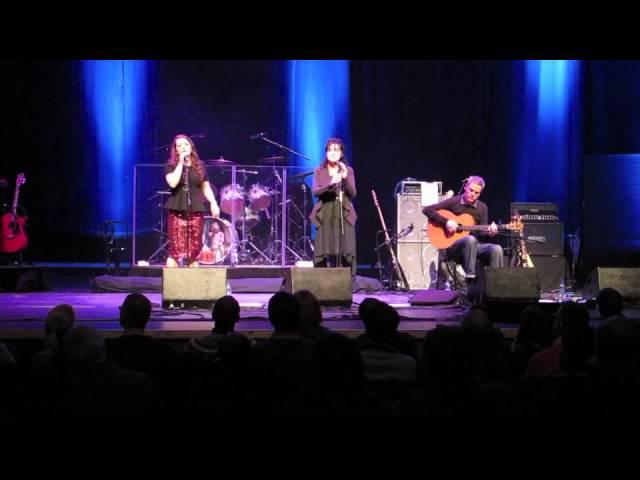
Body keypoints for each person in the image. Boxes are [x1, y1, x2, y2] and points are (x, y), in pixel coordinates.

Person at [422, 175, 503, 281]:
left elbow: (482, 235)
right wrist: (447, 222)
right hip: (454, 247)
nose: (473, 194)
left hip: (474, 247)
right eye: (471, 190)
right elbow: (427, 209)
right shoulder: (454, 202)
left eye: (476, 193)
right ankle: (470, 278)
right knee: (470, 239)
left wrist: (490, 233)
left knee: (496, 249)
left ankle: (496, 285)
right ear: (466, 187)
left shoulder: (482, 208)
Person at [164, 134, 220, 268]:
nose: (183, 147)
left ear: (191, 147)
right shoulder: (171, 165)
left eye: (186, 144)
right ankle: (173, 287)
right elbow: (172, 183)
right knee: (175, 251)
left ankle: (192, 286)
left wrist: (213, 203)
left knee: (194, 252)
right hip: (177, 211)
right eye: (179, 145)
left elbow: (205, 186)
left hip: (195, 211)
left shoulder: (199, 165)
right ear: (176, 150)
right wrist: (180, 164)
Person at [310, 137, 357, 276]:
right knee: (323, 246)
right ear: (326, 153)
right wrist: (331, 184)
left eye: (336, 150)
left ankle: (347, 281)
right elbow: (316, 191)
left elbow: (353, 193)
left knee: (345, 247)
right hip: (325, 211)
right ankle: (322, 280)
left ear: (341, 153)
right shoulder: (319, 170)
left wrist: (344, 177)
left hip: (343, 211)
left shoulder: (348, 170)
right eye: (330, 150)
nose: (332, 153)